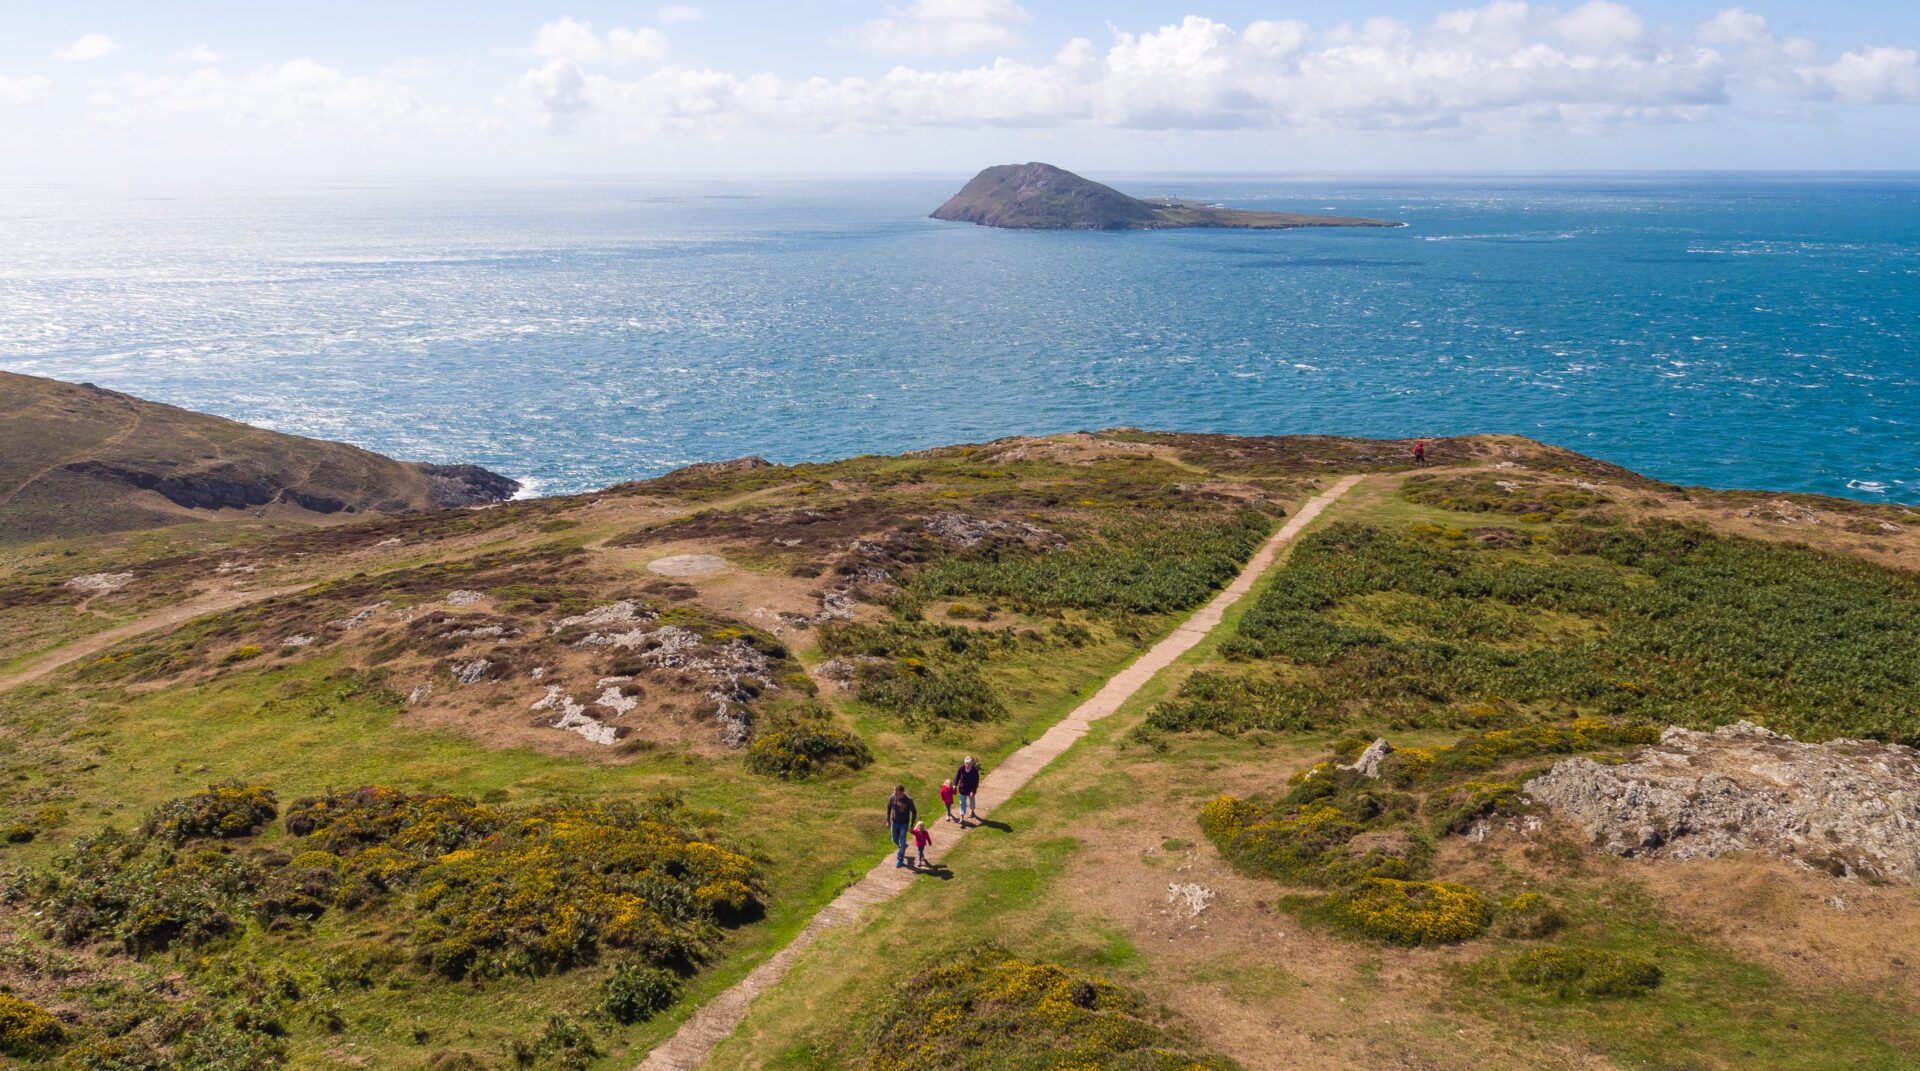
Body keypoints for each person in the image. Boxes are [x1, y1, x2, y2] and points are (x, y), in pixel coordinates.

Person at [885, 785, 918, 868]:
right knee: (894, 839)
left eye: (896, 793)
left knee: (901, 842)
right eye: (894, 792)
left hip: (904, 824)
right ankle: (903, 846)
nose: (894, 794)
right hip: (894, 823)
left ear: (902, 792)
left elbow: (914, 812)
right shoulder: (892, 797)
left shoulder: (908, 800)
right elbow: (889, 808)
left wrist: (912, 825)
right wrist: (888, 820)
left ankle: (900, 859)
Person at [953, 756, 982, 824]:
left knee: (971, 802)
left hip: (971, 789)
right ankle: (962, 817)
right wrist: (955, 784)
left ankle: (972, 811)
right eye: (966, 763)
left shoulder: (975, 770)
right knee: (962, 803)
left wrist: (973, 791)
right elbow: (957, 776)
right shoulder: (961, 768)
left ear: (972, 763)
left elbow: (976, 782)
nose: (967, 765)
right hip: (962, 789)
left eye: (969, 764)